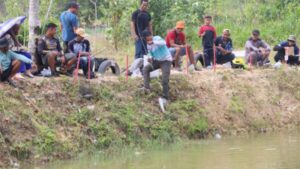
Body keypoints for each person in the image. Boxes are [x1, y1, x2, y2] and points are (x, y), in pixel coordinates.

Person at [142, 30, 172, 112]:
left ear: (152, 35)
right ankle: (146, 87)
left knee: (165, 79)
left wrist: (153, 42)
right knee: (145, 69)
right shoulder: (148, 45)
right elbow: (149, 53)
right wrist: (150, 57)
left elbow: (164, 43)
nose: (149, 41)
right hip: (157, 61)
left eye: (150, 38)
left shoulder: (157, 38)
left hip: (166, 60)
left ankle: (165, 97)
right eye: (147, 40)